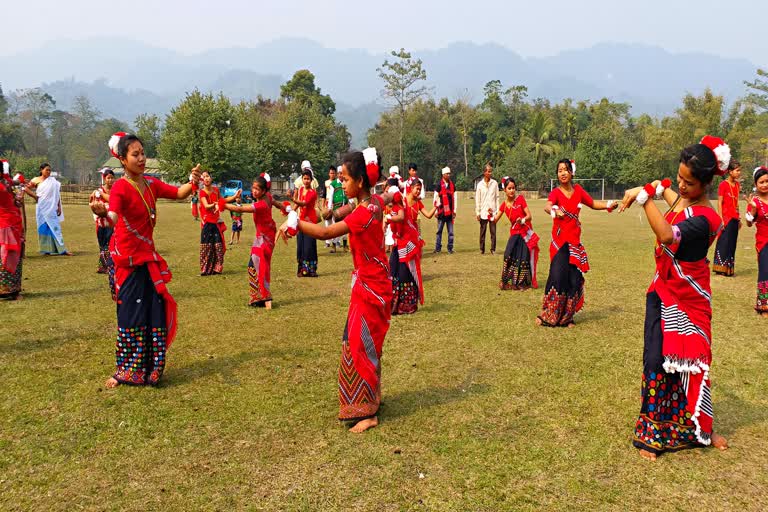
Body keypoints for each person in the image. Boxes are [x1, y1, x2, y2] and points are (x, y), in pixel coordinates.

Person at [619, 135, 730, 460]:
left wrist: (644, 197)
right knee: (656, 360)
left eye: (689, 182)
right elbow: (666, 191)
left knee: (692, 364)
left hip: (690, 299)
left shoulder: (708, 218)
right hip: (662, 290)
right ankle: (653, 433)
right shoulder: (684, 199)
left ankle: (698, 429)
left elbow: (667, 235)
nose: (681, 186)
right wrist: (656, 187)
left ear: (706, 183)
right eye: (680, 177)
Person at [279, 147, 391, 433]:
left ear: (361, 182)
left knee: (358, 343)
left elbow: (327, 233)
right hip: (369, 283)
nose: (341, 183)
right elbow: (365, 203)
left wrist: (295, 223)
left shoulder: (364, 213)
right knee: (362, 341)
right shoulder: (372, 203)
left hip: (371, 286)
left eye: (345, 179)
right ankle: (370, 399)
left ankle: (367, 411)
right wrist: (326, 212)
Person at [90, 132, 201, 388]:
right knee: (130, 316)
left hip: (147, 258)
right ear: (123, 159)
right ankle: (125, 371)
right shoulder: (119, 187)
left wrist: (192, 181)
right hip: (126, 261)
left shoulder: (151, 184)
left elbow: (180, 193)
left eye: (143, 153)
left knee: (153, 313)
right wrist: (104, 213)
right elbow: (115, 216)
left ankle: (151, 369)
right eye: (135, 154)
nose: (141, 158)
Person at [537, 159, 617, 327]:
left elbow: (593, 203)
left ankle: (567, 317)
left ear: (572, 172)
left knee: (573, 279)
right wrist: (554, 210)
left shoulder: (579, 191)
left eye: (566, 170)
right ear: (557, 174)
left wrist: (609, 205)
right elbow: (547, 205)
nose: (563, 173)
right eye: (560, 170)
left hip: (574, 243)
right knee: (557, 277)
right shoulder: (556, 192)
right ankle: (548, 314)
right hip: (559, 243)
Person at [223, 174, 287, 309]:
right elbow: (277, 204)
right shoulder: (268, 198)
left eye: (257, 189)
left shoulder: (261, 204)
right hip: (265, 237)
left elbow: (240, 209)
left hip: (264, 239)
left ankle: (263, 298)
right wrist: (285, 208)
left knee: (257, 266)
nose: (254, 191)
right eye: (253, 188)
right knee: (258, 266)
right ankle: (259, 297)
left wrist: (224, 205)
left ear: (264, 191)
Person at [388, 177, 436, 314]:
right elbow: (394, 212)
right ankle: (393, 303)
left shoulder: (418, 203)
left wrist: (435, 207)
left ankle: (406, 304)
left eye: (420, 189)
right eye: (417, 188)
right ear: (410, 188)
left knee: (407, 271)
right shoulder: (402, 201)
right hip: (400, 238)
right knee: (393, 269)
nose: (419, 191)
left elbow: (428, 215)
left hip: (411, 239)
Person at [492, 177, 539, 290]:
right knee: (508, 255)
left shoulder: (521, 200)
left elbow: (529, 216)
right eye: (509, 188)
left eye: (513, 188)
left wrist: (522, 220)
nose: (512, 190)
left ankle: (523, 283)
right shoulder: (504, 205)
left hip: (524, 233)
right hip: (514, 233)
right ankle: (506, 281)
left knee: (523, 257)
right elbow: (495, 219)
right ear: (505, 190)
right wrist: (490, 214)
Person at [26, 163, 71, 255]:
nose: (49, 172)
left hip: (52, 208)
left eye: (50, 170)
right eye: (47, 170)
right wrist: (35, 197)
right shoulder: (36, 180)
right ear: (41, 170)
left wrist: (59, 206)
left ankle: (62, 249)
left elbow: (57, 195)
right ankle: (46, 249)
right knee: (43, 227)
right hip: (41, 208)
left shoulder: (53, 182)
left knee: (55, 227)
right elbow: (26, 188)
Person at [199, 170, 238, 275]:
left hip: (216, 222)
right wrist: (215, 204)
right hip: (207, 222)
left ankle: (217, 268)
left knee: (218, 246)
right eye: (204, 177)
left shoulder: (216, 190)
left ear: (211, 178)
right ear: (202, 180)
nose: (206, 178)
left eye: (207, 176)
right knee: (206, 247)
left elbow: (223, 200)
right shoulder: (202, 192)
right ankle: (205, 270)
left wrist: (234, 197)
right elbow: (206, 206)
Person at [89, 167, 116, 300]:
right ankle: (103, 266)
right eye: (108, 177)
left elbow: (114, 202)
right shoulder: (98, 191)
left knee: (110, 242)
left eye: (112, 177)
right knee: (102, 244)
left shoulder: (115, 191)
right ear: (104, 178)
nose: (110, 180)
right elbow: (92, 203)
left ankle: (105, 266)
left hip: (111, 220)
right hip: (100, 221)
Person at [745, 165, 768, 316]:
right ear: (755, 184)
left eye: (767, 181)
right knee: (765, 272)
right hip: (764, 242)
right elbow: (748, 223)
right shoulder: (755, 202)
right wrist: (752, 211)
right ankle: (764, 306)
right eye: (761, 182)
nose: (765, 184)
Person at [713, 159, 742, 276]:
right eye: (737, 170)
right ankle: (720, 268)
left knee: (732, 243)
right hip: (726, 218)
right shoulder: (723, 185)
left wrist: (739, 218)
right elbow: (720, 202)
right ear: (730, 171)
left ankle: (729, 269)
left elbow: (737, 203)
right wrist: (720, 219)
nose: (739, 173)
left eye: (740, 170)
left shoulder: (737, 185)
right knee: (724, 242)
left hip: (734, 218)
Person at [0, 161, 24, 300]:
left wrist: (17, 200)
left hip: (13, 223)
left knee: (13, 255)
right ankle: (7, 290)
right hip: (4, 225)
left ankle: (13, 290)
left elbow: (13, 198)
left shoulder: (6, 183)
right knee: (6, 255)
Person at [293, 168, 319, 276]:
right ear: (302, 179)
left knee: (309, 246)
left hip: (310, 221)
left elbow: (304, 203)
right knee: (301, 245)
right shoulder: (300, 190)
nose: (306, 181)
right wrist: (291, 210)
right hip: (301, 220)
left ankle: (311, 270)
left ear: (311, 180)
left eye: (308, 179)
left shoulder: (312, 192)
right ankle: (301, 270)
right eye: (304, 178)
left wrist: (293, 199)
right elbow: (299, 204)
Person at [475, 162, 499, 254]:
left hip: (493, 211)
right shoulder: (480, 185)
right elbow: (478, 199)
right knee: (482, 232)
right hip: (483, 212)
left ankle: (493, 249)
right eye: (488, 171)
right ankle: (482, 249)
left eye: (491, 171)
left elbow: (497, 198)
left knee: (493, 232)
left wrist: (497, 211)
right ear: (484, 172)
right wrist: (478, 212)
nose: (490, 173)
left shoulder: (495, 183)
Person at [323, 165, 347, 252]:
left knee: (345, 228)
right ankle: (334, 247)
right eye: (339, 173)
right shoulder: (333, 184)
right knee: (335, 228)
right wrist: (329, 208)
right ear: (337, 174)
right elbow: (331, 195)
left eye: (342, 173)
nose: (341, 175)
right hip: (336, 209)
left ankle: (345, 247)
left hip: (345, 208)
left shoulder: (346, 182)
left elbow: (349, 194)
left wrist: (351, 204)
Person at [433, 166, 457, 254]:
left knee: (451, 232)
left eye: (449, 173)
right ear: (443, 175)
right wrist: (435, 211)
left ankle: (450, 248)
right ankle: (437, 248)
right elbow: (435, 198)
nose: (449, 175)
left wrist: (455, 210)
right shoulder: (439, 185)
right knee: (439, 231)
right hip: (441, 212)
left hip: (450, 212)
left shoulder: (452, 185)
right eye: (447, 174)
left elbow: (455, 198)